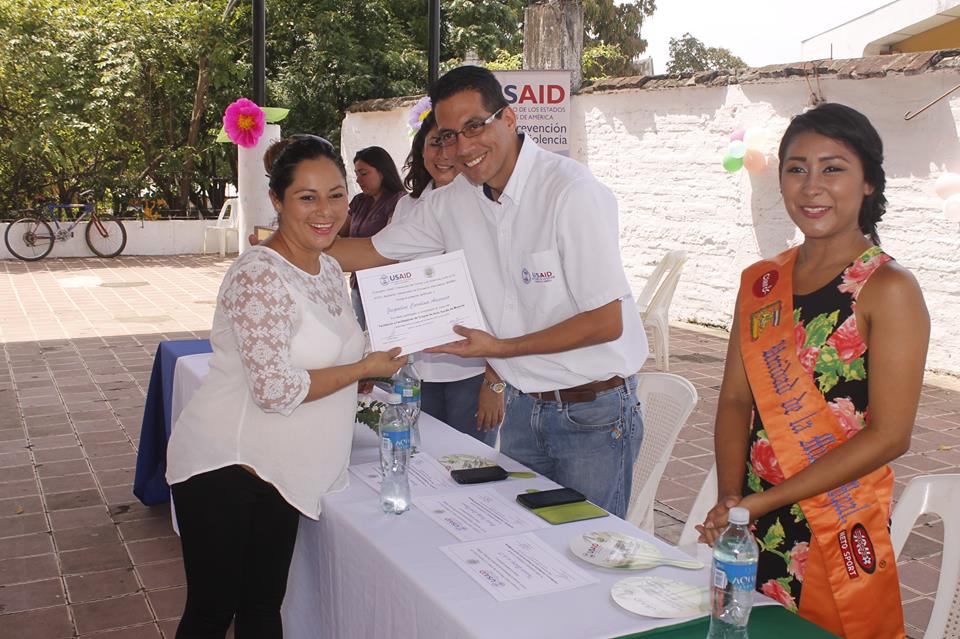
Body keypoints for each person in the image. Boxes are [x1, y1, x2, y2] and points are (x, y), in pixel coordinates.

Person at [327, 66, 648, 518]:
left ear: (509, 118)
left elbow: (605, 321)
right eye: (449, 135)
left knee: (586, 547)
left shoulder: (569, 192)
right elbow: (371, 252)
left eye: (475, 126)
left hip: (592, 413)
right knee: (528, 543)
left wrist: (501, 349)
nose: (463, 147)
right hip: (522, 408)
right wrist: (285, 250)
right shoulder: (452, 202)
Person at [697, 103, 928, 639]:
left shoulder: (889, 290)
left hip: (837, 524)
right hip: (752, 518)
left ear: (869, 181)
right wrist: (733, 500)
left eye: (833, 168)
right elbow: (735, 399)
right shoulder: (761, 283)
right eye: (796, 168)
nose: (811, 186)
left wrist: (760, 503)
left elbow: (891, 435)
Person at [166, 135, 405, 638]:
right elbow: (274, 388)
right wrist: (362, 370)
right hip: (229, 468)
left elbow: (323, 356)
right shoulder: (259, 274)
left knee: (262, 609)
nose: (326, 211)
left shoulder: (327, 267)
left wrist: (354, 378)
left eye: (337, 194)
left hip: (282, 472)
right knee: (213, 613)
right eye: (307, 197)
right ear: (278, 200)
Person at [391, 103, 499, 445]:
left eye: (449, 143)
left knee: (470, 463)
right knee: (423, 459)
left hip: (472, 369)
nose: (442, 153)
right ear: (420, 150)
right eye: (433, 143)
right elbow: (392, 275)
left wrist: (494, 382)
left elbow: (503, 301)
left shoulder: (490, 205)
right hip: (418, 368)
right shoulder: (407, 207)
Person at [341, 146, 406, 329]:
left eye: (364, 173)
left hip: (385, 286)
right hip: (358, 285)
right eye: (356, 174)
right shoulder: (359, 201)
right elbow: (341, 232)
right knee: (365, 338)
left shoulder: (399, 201)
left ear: (382, 172)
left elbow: (390, 246)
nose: (359, 180)